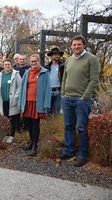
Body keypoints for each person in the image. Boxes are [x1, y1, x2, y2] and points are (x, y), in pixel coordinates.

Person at [60, 35, 101, 167]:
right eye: (74, 45)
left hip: (81, 100)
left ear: (84, 45)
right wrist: (63, 93)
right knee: (68, 126)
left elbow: (94, 80)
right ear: (71, 46)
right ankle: (68, 151)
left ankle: (83, 155)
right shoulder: (69, 60)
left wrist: (84, 97)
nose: (76, 47)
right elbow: (64, 78)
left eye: (79, 44)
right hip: (67, 99)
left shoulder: (92, 59)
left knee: (81, 128)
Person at [18, 54, 51, 156]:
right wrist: (20, 102)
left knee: (35, 125)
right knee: (28, 124)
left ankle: (35, 147)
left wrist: (46, 105)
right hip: (27, 102)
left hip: (37, 103)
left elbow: (48, 89)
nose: (33, 63)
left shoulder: (44, 73)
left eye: (35, 61)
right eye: (31, 62)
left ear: (38, 61)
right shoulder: (27, 72)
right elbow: (23, 88)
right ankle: (31, 142)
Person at [0, 59, 22, 144]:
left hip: (12, 100)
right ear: (3, 66)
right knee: (5, 118)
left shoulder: (16, 74)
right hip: (3, 100)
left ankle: (12, 135)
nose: (7, 66)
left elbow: (20, 86)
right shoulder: (0, 75)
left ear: (11, 65)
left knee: (12, 119)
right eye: (5, 65)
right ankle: (6, 134)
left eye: (8, 64)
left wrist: (16, 97)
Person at [45, 47, 65, 115]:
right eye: (55, 54)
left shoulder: (63, 66)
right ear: (51, 56)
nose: (57, 56)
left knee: (57, 111)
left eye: (58, 54)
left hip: (58, 90)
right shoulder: (46, 67)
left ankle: (55, 124)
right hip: (48, 90)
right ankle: (49, 125)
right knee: (48, 112)